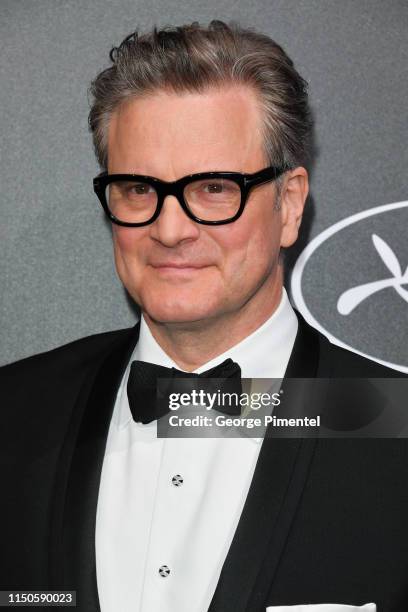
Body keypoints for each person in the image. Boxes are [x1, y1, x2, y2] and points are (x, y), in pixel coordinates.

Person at [1, 20, 407, 612]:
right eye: (138, 188)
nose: (170, 230)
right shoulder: (13, 413)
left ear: (289, 204)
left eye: (215, 188)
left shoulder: (393, 428)